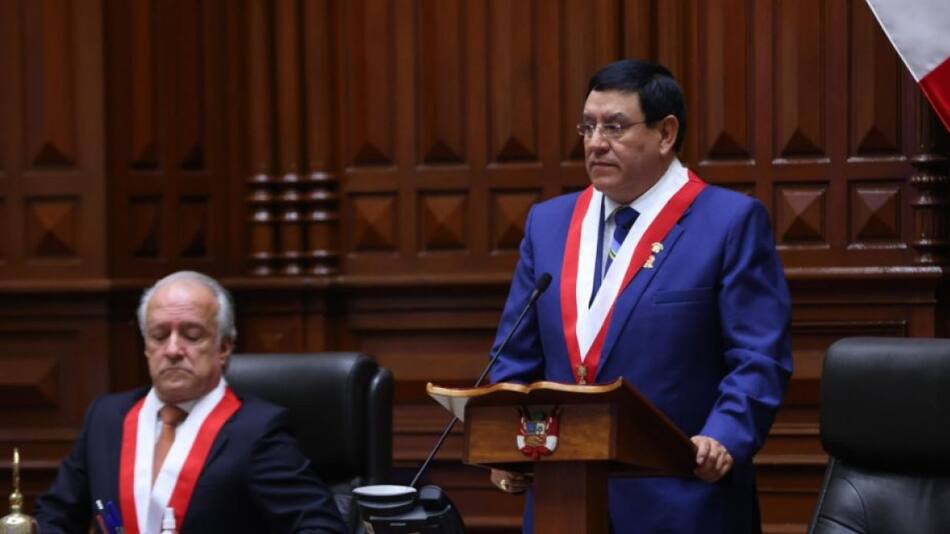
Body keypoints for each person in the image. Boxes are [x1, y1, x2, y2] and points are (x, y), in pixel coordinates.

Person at [488, 59, 792, 533]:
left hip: (684, 498)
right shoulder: (548, 224)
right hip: (563, 503)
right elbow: (514, 356)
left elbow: (759, 357)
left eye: (614, 126)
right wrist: (506, 444)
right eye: (587, 126)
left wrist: (723, 437)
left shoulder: (729, 222)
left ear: (666, 133)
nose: (594, 143)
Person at [35, 271, 346, 533]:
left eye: (192, 335)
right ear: (146, 347)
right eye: (159, 335)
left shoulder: (257, 430)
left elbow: (320, 525)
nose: (172, 349)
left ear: (224, 347)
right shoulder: (107, 416)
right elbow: (57, 516)